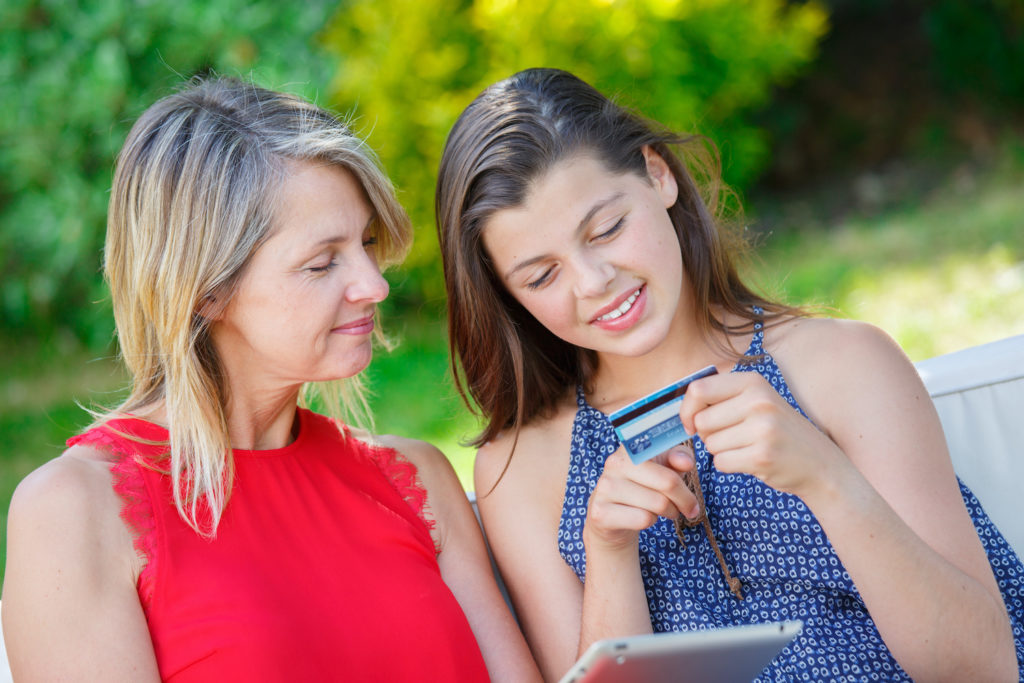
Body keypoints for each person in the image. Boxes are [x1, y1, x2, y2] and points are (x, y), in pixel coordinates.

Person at [435, 67, 1024, 681]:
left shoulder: (843, 367)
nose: (593, 282)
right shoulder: (524, 468)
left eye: (607, 229)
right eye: (541, 276)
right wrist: (609, 555)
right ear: (507, 296)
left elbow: (984, 666)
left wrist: (825, 478)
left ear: (657, 175)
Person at [2, 76, 541, 682]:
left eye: (366, 242)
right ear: (207, 291)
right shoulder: (74, 511)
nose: (374, 284)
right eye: (322, 262)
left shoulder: (420, 482)